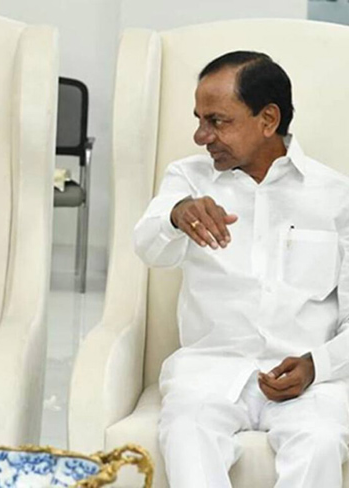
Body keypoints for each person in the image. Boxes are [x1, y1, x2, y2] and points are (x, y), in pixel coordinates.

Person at [134, 51, 349, 487]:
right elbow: (148, 246)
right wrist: (177, 214)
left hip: (311, 383)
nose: (201, 136)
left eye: (217, 121)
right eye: (199, 120)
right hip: (209, 373)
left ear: (268, 119)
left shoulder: (336, 196)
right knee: (187, 433)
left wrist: (318, 365)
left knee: (320, 443)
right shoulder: (187, 179)